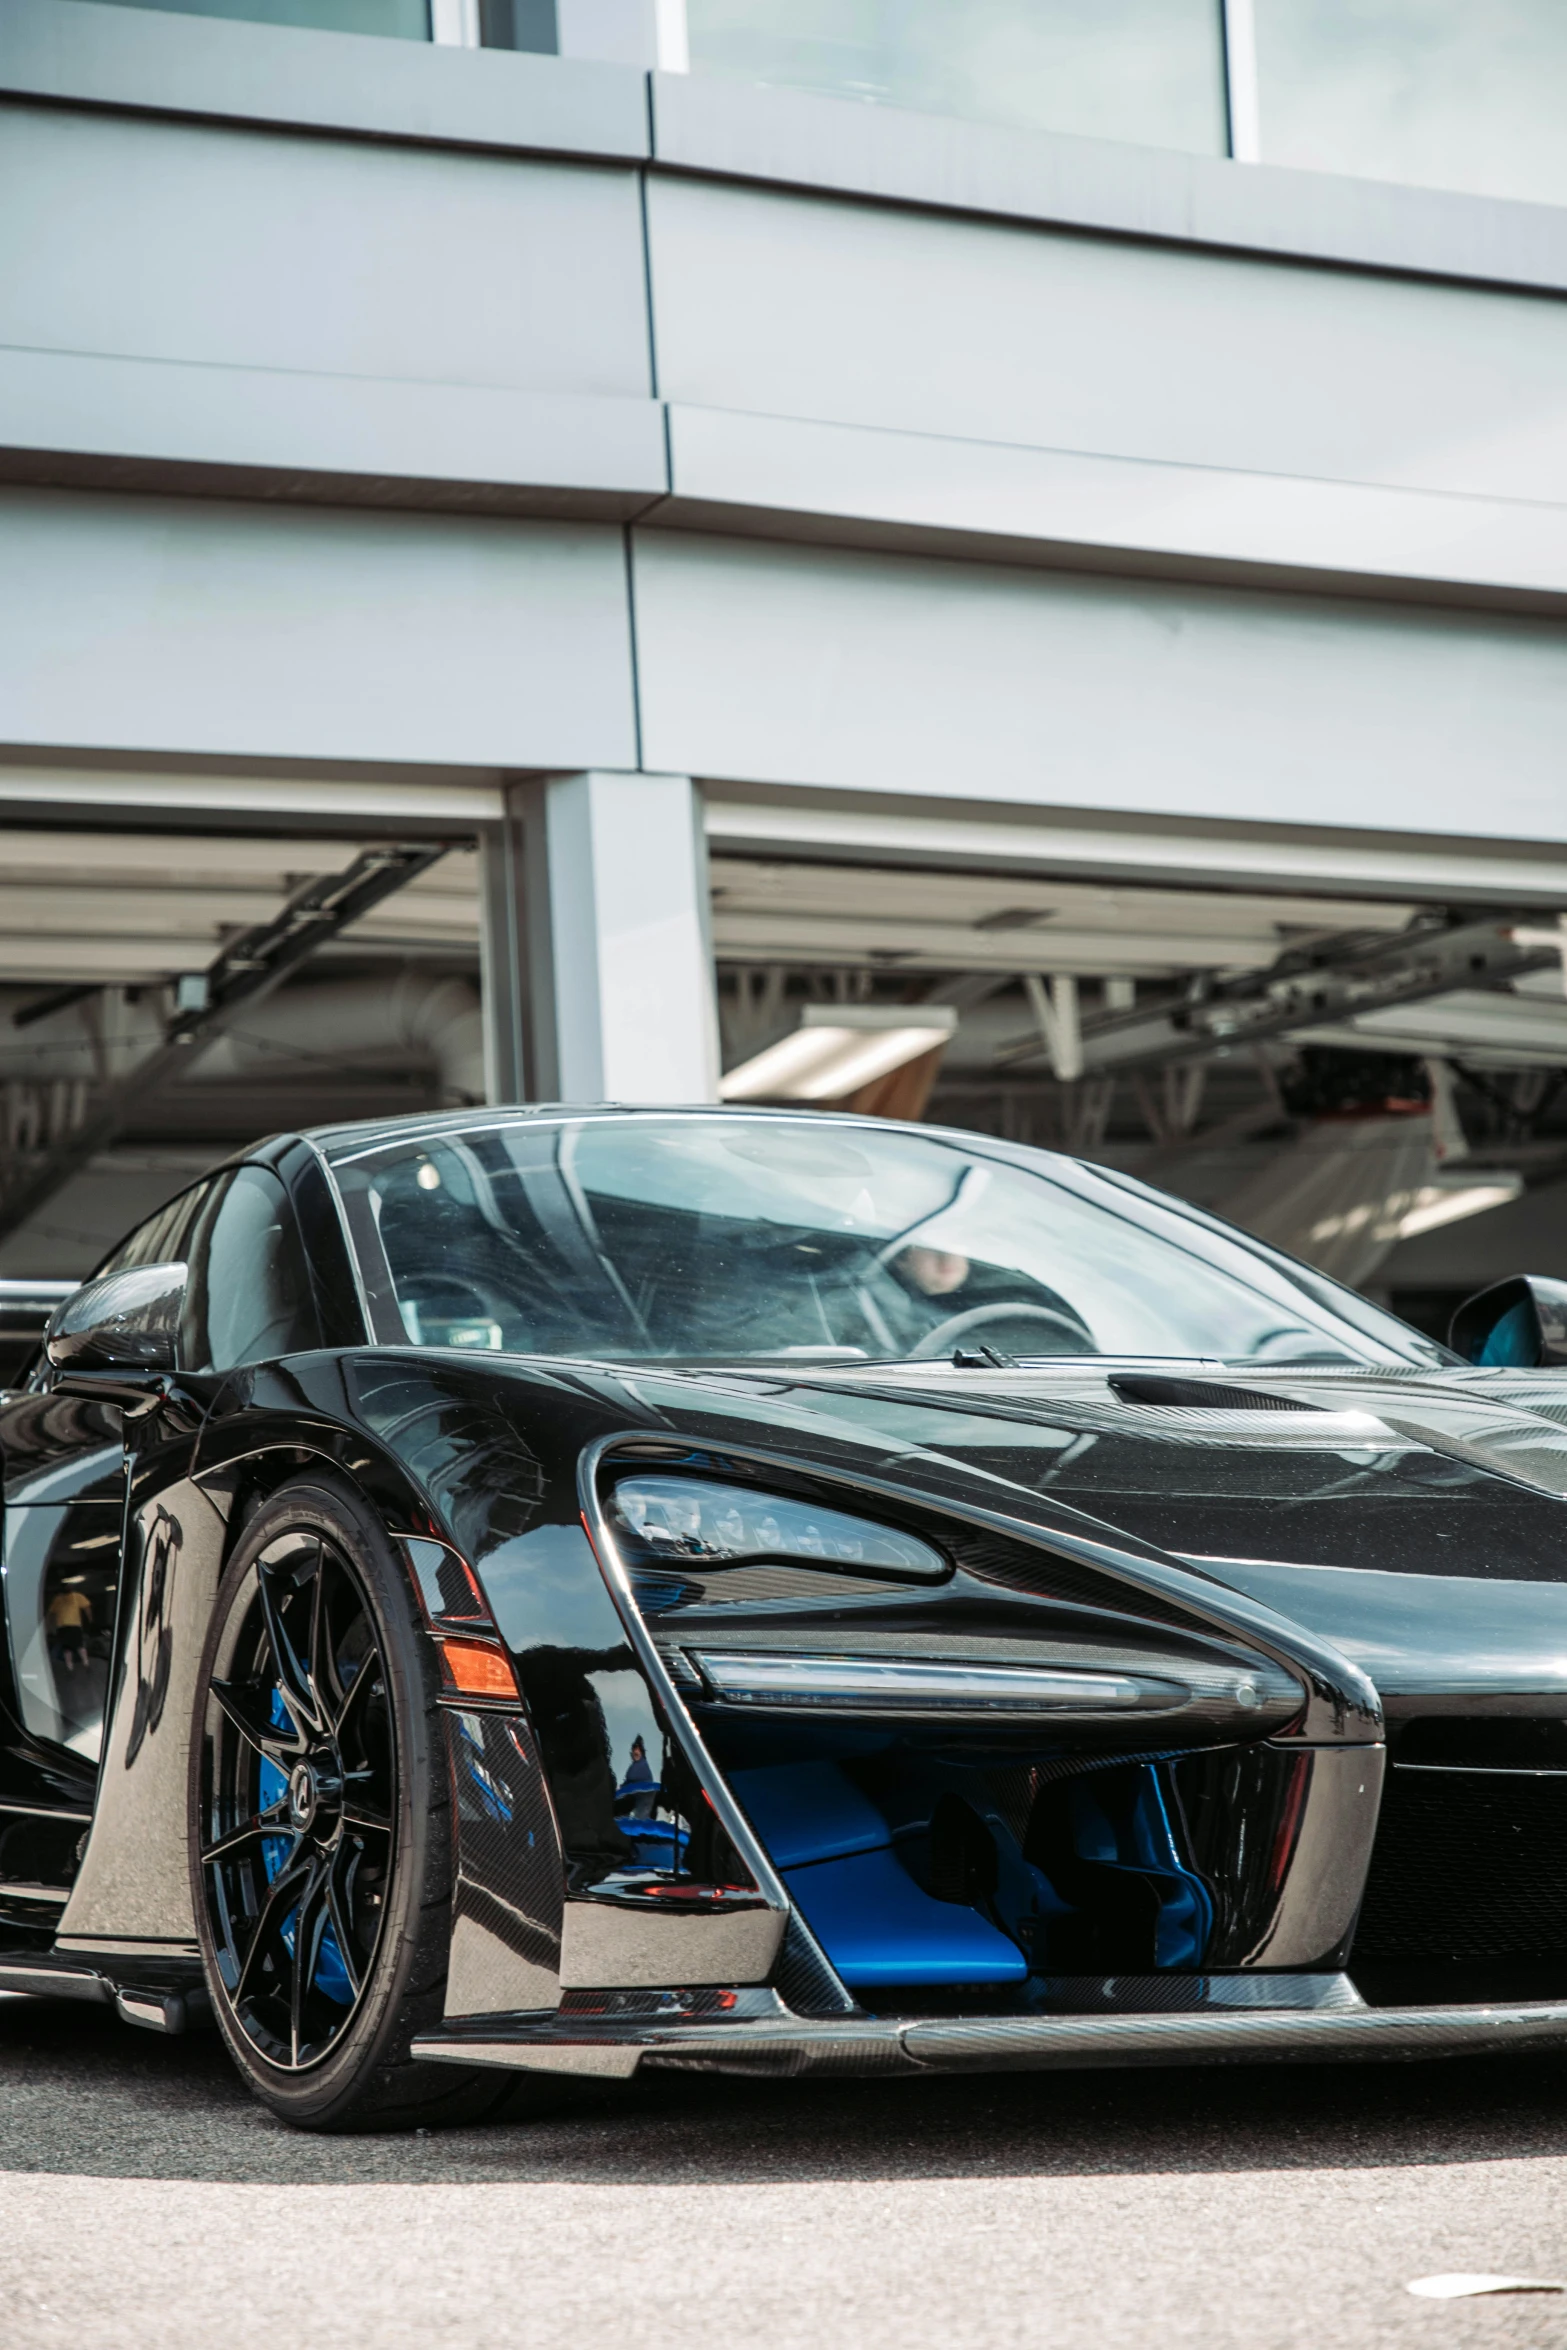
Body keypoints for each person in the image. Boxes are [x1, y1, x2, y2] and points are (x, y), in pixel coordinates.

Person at [46, 1584, 92, 1676]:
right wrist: (50, 1626)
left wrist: (90, 1618)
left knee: (78, 1645)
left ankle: (86, 1664)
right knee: (67, 1648)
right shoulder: (58, 1599)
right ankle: (70, 1667)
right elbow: (51, 1613)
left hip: (74, 1626)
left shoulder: (77, 1596)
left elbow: (87, 1607)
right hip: (63, 1627)